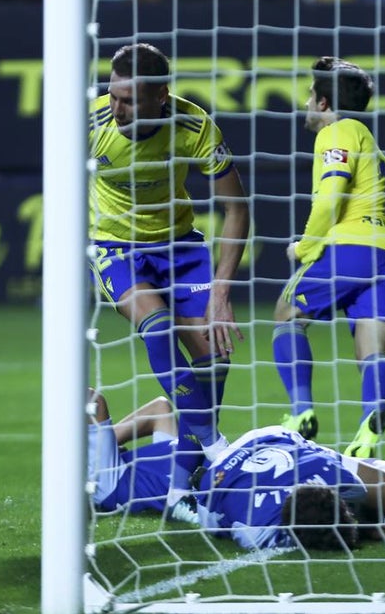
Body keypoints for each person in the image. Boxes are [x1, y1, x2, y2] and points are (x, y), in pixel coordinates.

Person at [90, 42, 250, 503]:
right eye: (113, 95)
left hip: (179, 246)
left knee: (215, 357)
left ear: (161, 96)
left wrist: (221, 291)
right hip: (116, 247)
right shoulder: (91, 125)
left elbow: (236, 209)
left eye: (129, 100)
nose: (117, 108)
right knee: (157, 325)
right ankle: (216, 447)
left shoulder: (194, 127)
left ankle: (181, 489)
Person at [87, 390, 385, 551]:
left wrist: (109, 440)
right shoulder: (103, 483)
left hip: (260, 460)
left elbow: (159, 410)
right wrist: (104, 438)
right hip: (258, 457)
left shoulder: (119, 470)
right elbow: (95, 403)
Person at [272, 56, 385, 458]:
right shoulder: (374, 148)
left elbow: (332, 196)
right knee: (372, 350)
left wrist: (305, 246)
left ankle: (301, 412)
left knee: (287, 315)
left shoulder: (337, 132)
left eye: (310, 96)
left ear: (323, 103)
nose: (306, 103)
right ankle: (368, 431)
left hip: (352, 249)